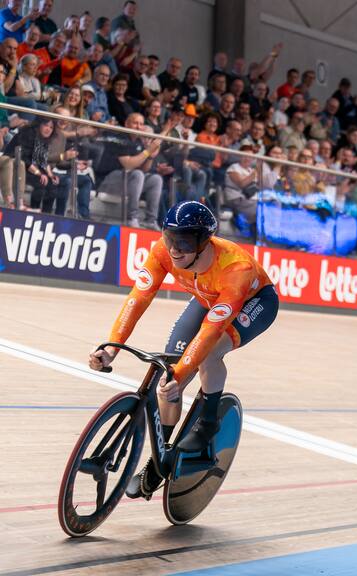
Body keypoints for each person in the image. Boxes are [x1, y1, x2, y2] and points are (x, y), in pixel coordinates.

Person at [88, 200, 278, 499]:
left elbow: (210, 330)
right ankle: (160, 458)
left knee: (209, 352)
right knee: (168, 379)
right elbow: (138, 299)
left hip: (255, 302)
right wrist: (114, 348)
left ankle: (209, 420)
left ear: (204, 243)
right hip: (207, 297)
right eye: (170, 238)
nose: (175, 249)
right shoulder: (162, 251)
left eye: (184, 242)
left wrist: (182, 372)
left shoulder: (235, 268)